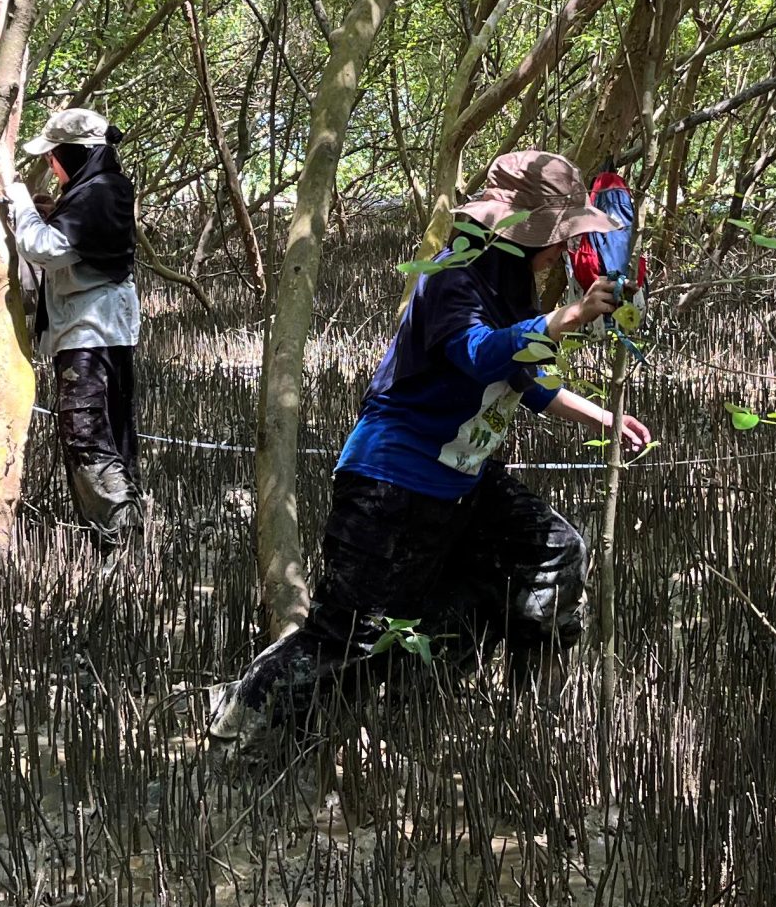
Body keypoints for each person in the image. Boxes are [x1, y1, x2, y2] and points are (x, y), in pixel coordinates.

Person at [209, 149, 652, 746]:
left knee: (551, 551)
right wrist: (565, 319)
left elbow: (521, 376)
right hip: (393, 480)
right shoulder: (453, 275)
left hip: (462, 481)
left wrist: (604, 417)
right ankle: (239, 734)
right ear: (516, 232)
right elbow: (477, 353)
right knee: (350, 639)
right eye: (553, 234)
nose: (560, 249)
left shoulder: (514, 283)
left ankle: (522, 723)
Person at [0, 108, 142, 550]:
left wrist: (20, 201)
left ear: (76, 155)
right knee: (109, 433)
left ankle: (118, 538)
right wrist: (48, 210)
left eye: (55, 157)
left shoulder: (98, 192)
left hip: (90, 333)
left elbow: (47, 247)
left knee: (86, 433)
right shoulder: (98, 191)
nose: (51, 166)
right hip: (100, 330)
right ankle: (118, 534)